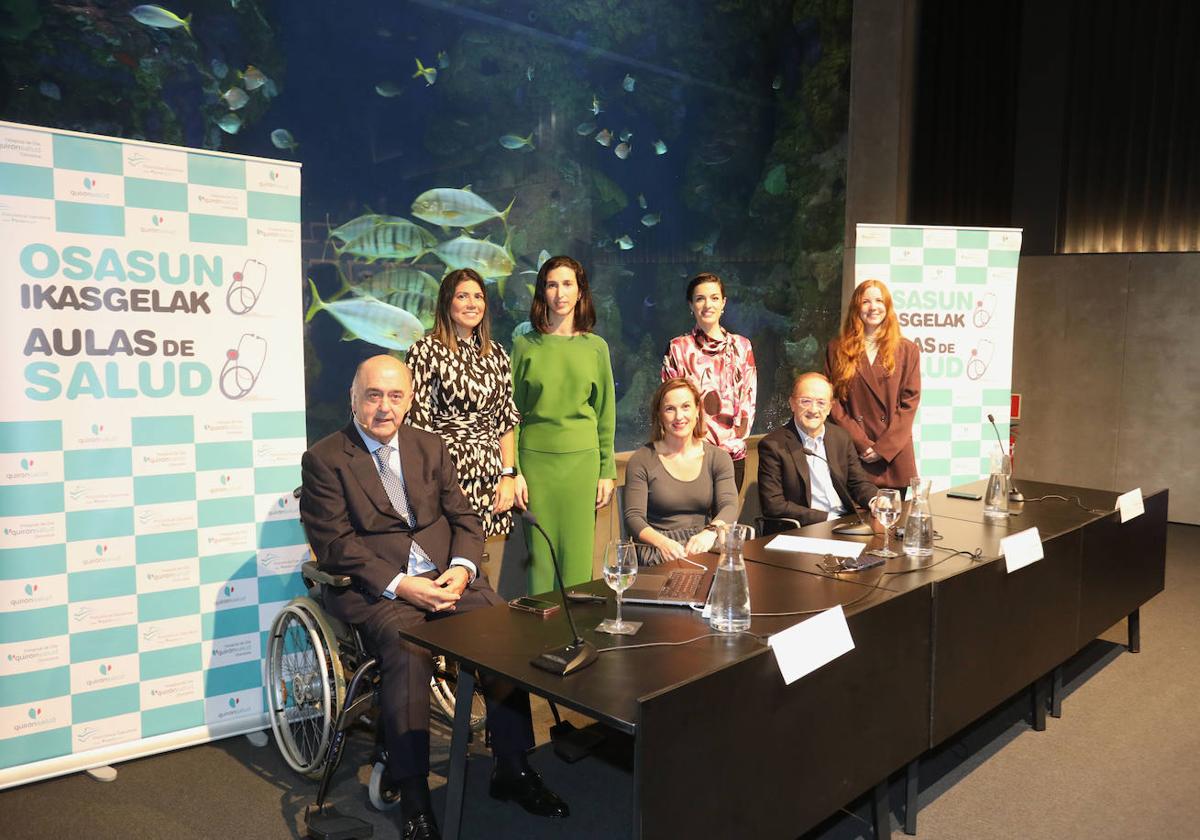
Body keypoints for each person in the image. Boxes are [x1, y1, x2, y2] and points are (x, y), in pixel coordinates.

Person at [300, 356, 567, 840]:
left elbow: (465, 517)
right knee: (409, 650)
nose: (385, 407)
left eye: (396, 396)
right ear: (353, 399)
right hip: (380, 592)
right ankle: (417, 802)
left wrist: (463, 571)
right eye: (374, 395)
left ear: (410, 399)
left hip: (450, 579)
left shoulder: (428, 445)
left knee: (505, 631)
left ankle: (511, 767)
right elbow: (336, 545)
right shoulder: (325, 459)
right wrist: (402, 585)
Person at [511, 255, 616, 593]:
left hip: (582, 466)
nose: (560, 293)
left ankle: (578, 638)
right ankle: (539, 639)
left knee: (578, 562)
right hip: (536, 465)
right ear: (542, 291)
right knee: (540, 562)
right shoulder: (524, 345)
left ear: (581, 290)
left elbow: (605, 414)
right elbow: (510, 414)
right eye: (552, 284)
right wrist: (514, 472)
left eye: (568, 283)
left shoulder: (596, 347)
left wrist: (606, 471)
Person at [406, 268, 521, 538]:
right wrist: (429, 483)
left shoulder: (497, 353)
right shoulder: (424, 351)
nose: (472, 303)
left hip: (490, 474)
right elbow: (416, 424)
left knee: (477, 557)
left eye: (478, 296)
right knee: (446, 556)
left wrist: (508, 476)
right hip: (444, 475)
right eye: (462, 296)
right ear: (447, 302)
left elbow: (505, 420)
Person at [623, 378, 738, 565]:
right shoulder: (641, 460)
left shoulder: (719, 458)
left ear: (697, 411)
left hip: (703, 543)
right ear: (659, 415)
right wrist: (663, 543)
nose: (679, 417)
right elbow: (633, 518)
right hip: (658, 549)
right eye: (670, 409)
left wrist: (710, 532)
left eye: (686, 407)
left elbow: (730, 506)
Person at [661, 272, 757, 490]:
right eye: (700, 298)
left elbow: (747, 404)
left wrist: (732, 443)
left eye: (714, 298)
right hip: (691, 457)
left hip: (732, 457)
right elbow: (669, 405)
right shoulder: (678, 347)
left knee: (724, 522)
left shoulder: (742, 346)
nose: (708, 304)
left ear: (723, 303)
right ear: (691, 305)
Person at [824, 279, 921, 492]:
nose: (873, 307)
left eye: (879, 300)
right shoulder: (836, 349)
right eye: (866, 301)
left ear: (887, 306)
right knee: (852, 524)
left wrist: (883, 448)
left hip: (894, 456)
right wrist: (862, 443)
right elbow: (833, 402)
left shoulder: (907, 350)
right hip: (854, 452)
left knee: (893, 522)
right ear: (856, 307)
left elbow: (909, 403)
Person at [757, 372, 878, 529]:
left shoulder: (840, 437)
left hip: (846, 524)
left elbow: (858, 482)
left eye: (821, 403)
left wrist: (875, 500)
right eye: (805, 401)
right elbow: (773, 504)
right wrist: (828, 518)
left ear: (830, 408)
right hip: (804, 528)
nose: (813, 410)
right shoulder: (773, 445)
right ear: (792, 404)